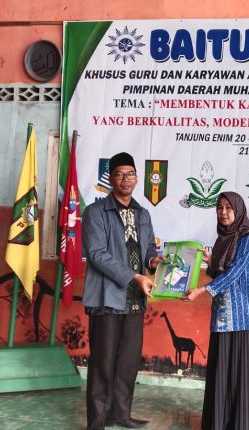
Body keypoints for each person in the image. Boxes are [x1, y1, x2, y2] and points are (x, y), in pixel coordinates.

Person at [82, 152, 163, 429]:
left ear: (137, 179)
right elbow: (97, 254)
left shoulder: (143, 213)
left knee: (128, 362)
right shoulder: (95, 212)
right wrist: (134, 276)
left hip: (135, 300)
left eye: (130, 174)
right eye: (119, 174)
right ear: (111, 179)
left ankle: (120, 414)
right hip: (107, 298)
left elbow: (148, 250)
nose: (125, 179)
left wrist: (154, 262)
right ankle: (97, 421)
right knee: (102, 363)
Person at [183, 191, 249, 430]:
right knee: (221, 370)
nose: (224, 212)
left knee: (239, 373)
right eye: (220, 208)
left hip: (242, 317)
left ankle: (241, 423)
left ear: (238, 210)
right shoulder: (222, 239)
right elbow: (221, 272)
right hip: (222, 316)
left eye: (229, 208)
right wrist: (210, 262)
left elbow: (235, 273)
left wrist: (200, 290)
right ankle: (219, 422)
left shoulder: (247, 239)